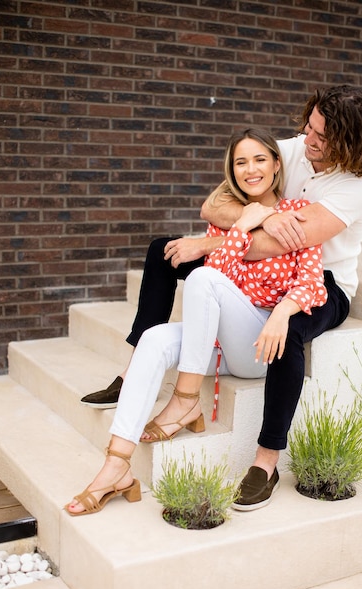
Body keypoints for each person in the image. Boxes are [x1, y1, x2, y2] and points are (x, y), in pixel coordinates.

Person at [79, 84, 362, 512]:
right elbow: (216, 203)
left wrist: (211, 245)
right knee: (163, 251)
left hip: (322, 282)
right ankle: (131, 370)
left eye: (320, 136)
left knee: (288, 333)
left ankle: (266, 463)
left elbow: (281, 246)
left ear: (348, 142)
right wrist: (256, 215)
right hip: (253, 268)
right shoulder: (296, 147)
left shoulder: (357, 187)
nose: (307, 138)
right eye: (309, 126)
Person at [65, 128, 328, 515]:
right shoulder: (228, 217)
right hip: (217, 344)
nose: (250, 169)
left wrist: (282, 315)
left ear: (276, 165)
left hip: (258, 344)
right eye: (240, 162)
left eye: (259, 160)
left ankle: (186, 401)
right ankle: (116, 467)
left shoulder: (297, 217)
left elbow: (312, 286)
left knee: (203, 277)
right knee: (154, 339)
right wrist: (242, 226)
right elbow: (216, 272)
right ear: (231, 170)